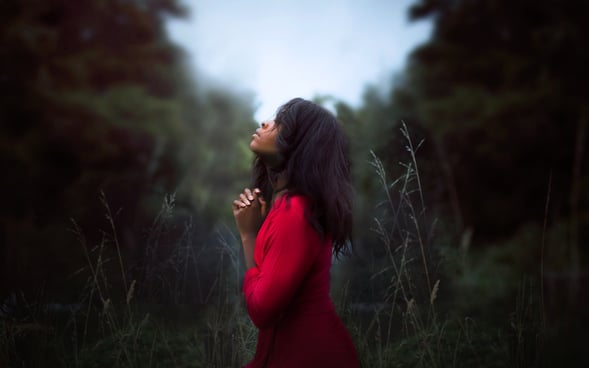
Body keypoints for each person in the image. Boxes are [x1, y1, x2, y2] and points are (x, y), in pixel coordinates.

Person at [232, 98, 359, 367]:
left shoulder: (295, 214)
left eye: (280, 124)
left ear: (301, 144)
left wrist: (248, 235)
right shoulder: (292, 209)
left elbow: (262, 311)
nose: (265, 123)